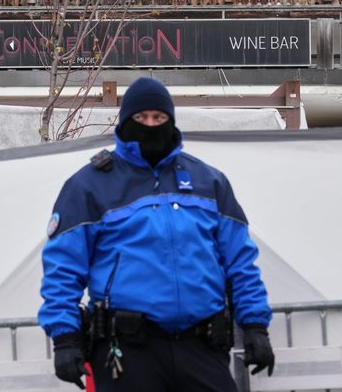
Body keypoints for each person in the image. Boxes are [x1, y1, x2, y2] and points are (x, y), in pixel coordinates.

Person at [38, 77, 274, 391]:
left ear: (171, 121)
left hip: (201, 346)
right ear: (126, 122)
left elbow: (240, 262)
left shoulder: (209, 181)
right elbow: (63, 269)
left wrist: (256, 326)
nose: (150, 125)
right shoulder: (89, 186)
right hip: (129, 351)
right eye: (141, 118)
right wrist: (65, 339)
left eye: (159, 118)